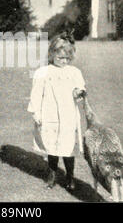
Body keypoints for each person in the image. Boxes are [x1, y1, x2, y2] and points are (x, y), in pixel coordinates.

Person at [27, 31, 86, 190]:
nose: (64, 61)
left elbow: (79, 89)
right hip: (49, 114)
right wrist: (37, 114)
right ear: (52, 54)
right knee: (51, 146)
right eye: (60, 57)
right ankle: (52, 173)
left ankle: (70, 176)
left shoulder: (74, 72)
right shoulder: (43, 73)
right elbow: (36, 94)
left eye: (67, 58)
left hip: (68, 115)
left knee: (68, 148)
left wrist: (78, 92)